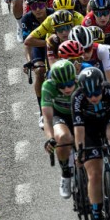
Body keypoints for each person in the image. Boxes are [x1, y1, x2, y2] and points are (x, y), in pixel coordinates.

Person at [73, 66, 110, 220]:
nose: (93, 98)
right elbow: (78, 130)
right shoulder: (77, 98)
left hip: (109, 122)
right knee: (94, 174)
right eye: (89, 95)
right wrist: (80, 152)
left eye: (96, 93)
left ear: (102, 87)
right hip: (89, 129)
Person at [41, 59, 80, 197]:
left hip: (80, 113)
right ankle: (65, 174)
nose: (67, 89)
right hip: (60, 115)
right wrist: (51, 139)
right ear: (54, 83)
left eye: (70, 84)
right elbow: (47, 119)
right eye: (62, 87)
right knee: (63, 138)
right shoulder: (48, 86)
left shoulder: (81, 81)